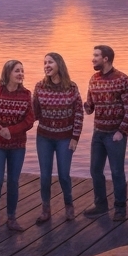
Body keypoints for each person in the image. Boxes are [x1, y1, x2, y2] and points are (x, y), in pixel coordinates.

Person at [0, 59, 36, 233]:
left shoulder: (26, 94)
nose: (20, 74)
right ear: (7, 73)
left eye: (22, 71)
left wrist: (11, 130)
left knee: (13, 181)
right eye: (17, 71)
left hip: (17, 145)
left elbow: (29, 120)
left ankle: (11, 218)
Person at [82, 45, 128, 221]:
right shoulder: (94, 79)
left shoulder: (122, 79)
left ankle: (120, 208)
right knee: (95, 170)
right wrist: (81, 105)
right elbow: (90, 107)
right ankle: (101, 205)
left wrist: (122, 131)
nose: (93, 58)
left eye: (96, 55)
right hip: (98, 132)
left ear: (106, 59)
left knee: (117, 172)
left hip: (115, 134)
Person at [32, 52, 83, 224]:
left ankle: (69, 205)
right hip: (44, 137)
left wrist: (75, 137)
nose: (46, 65)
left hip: (65, 138)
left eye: (50, 62)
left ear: (59, 64)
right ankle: (45, 209)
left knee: (63, 175)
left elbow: (79, 114)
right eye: (44, 62)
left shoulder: (72, 87)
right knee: (45, 175)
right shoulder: (39, 87)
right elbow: (33, 113)